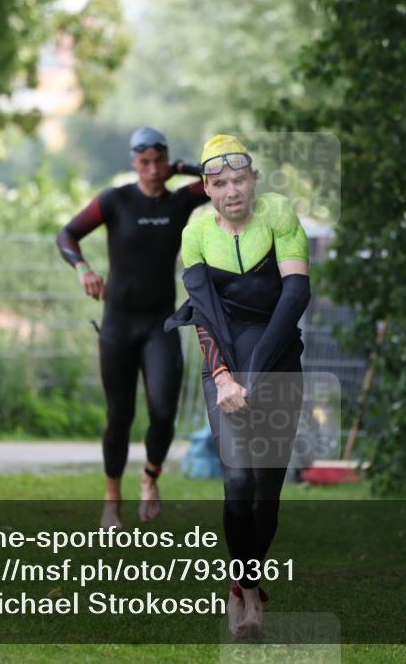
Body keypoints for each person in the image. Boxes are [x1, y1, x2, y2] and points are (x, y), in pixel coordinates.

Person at [165, 134, 311, 638]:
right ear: (207, 187)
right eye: (220, 183)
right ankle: (249, 598)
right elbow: (203, 314)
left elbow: (296, 295)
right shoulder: (197, 232)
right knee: (238, 482)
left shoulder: (278, 214)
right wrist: (226, 376)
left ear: (254, 181)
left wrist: (256, 374)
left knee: (266, 493)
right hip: (222, 366)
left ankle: (240, 578)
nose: (232, 191)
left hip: (277, 360)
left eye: (239, 180)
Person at [57, 127, 209, 528]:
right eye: (145, 162)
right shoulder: (116, 200)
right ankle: (111, 500)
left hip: (160, 323)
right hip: (118, 324)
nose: (153, 169)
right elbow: (67, 234)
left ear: (167, 161)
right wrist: (83, 268)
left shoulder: (179, 203)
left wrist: (183, 168)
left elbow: (223, 178)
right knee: (119, 416)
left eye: (160, 161)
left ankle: (150, 477)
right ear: (133, 163)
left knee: (162, 410)